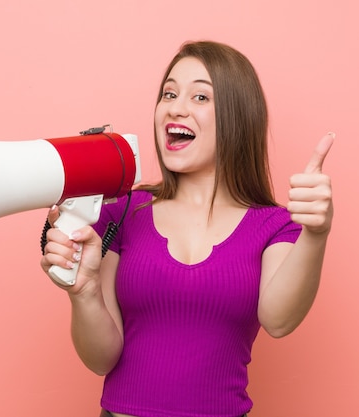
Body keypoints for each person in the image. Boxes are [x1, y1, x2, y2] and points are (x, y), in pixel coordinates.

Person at [40, 40, 334, 417]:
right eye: (169, 93)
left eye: (200, 97)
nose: (175, 108)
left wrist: (316, 233)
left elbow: (278, 320)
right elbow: (100, 360)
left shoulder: (275, 226)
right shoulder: (122, 213)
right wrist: (84, 292)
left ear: (237, 117)